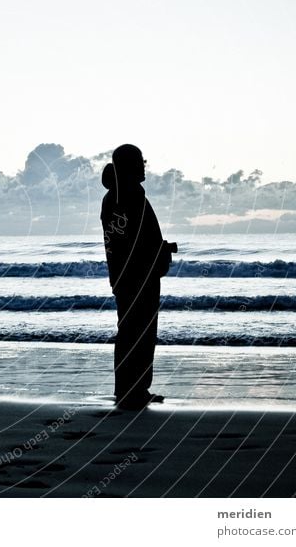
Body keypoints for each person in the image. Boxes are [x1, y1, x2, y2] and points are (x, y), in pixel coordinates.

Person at [100, 144, 176, 410]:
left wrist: (158, 250)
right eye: (139, 161)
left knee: (134, 332)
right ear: (129, 165)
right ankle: (132, 391)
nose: (144, 166)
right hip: (136, 278)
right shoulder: (126, 196)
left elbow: (125, 241)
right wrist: (159, 252)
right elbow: (131, 243)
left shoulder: (119, 196)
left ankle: (132, 389)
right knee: (137, 333)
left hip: (129, 277)